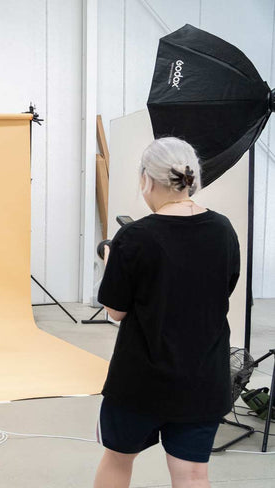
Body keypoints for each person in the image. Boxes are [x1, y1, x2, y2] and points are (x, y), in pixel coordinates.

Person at [93, 137, 240, 488]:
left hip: (140, 380)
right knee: (193, 474)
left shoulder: (134, 237)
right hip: (203, 378)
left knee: (117, 460)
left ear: (146, 179)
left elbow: (115, 310)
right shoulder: (223, 230)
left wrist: (114, 262)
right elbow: (221, 290)